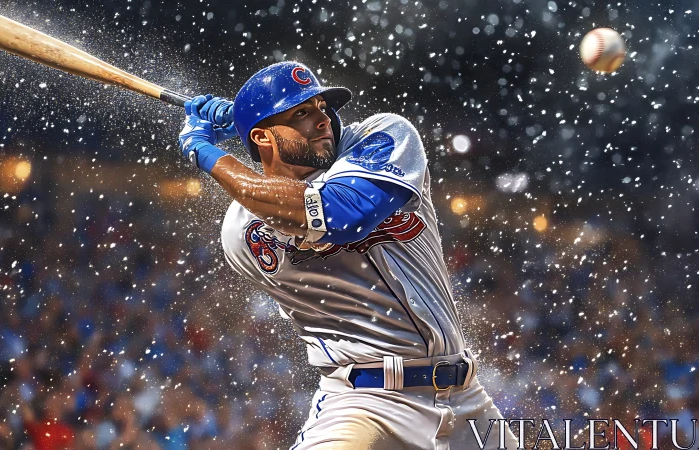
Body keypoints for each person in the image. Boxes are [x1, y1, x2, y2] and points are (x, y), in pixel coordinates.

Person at [178, 61, 518, 450]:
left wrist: (241, 140)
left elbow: (341, 214)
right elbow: (302, 212)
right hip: (366, 405)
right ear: (263, 137)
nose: (322, 120)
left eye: (322, 107)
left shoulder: (385, 135)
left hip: (468, 400)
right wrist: (211, 152)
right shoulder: (242, 231)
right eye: (301, 113)